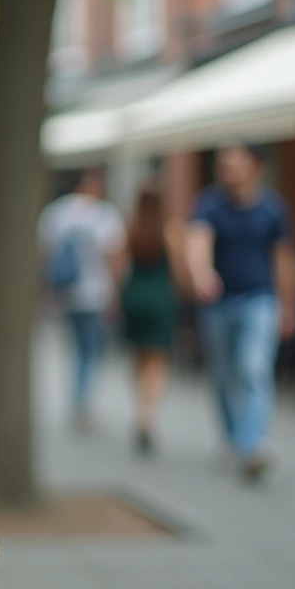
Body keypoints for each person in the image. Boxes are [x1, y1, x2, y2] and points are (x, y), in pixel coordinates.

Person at [187, 144, 295, 483]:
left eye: (234, 164)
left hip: (259, 300)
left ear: (255, 167)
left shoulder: (272, 209)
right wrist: (202, 274)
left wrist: (288, 305)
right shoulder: (209, 204)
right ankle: (232, 437)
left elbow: (283, 258)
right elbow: (197, 242)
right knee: (223, 374)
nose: (228, 171)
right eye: (223, 165)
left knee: (253, 368)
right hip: (218, 303)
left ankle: (253, 447)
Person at [38, 168, 126, 429]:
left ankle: (78, 399)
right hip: (96, 294)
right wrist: (116, 294)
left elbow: (45, 254)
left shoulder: (56, 213)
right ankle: (82, 404)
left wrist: (46, 289)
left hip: (66, 294)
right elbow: (115, 257)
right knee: (90, 352)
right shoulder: (104, 215)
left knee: (76, 350)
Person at [120, 183, 183, 456]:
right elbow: (180, 272)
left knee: (139, 357)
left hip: (134, 297)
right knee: (157, 361)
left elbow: (119, 267)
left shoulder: (130, 229)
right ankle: (147, 415)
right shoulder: (170, 231)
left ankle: (141, 409)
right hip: (159, 299)